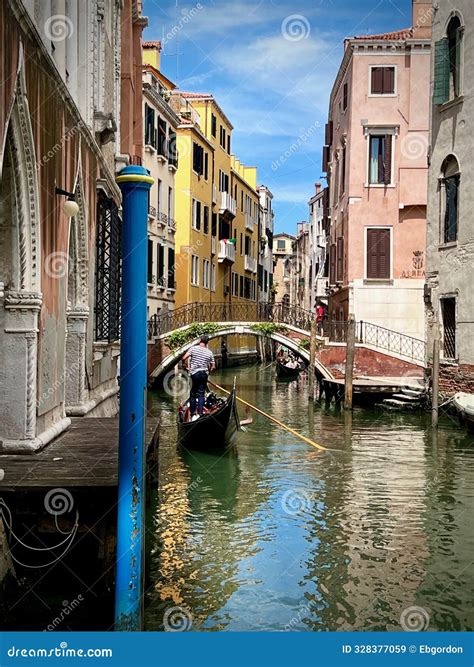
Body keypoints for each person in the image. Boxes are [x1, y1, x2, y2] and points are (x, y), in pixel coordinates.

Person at [182, 336, 215, 419]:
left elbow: (183, 358)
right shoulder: (209, 352)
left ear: (200, 341)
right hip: (204, 374)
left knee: (193, 394)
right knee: (201, 394)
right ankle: (200, 414)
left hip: (194, 373)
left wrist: (185, 366)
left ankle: (193, 414)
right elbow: (213, 366)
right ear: (207, 343)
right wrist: (208, 372)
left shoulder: (193, 349)